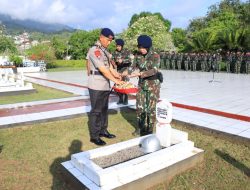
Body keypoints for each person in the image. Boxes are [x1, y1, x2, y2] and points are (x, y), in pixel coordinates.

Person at [87, 28, 124, 146]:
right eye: (108, 40)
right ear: (101, 37)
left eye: (110, 41)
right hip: (96, 84)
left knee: (104, 110)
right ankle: (94, 136)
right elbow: (103, 69)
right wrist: (115, 81)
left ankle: (103, 130)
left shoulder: (105, 52)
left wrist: (118, 76)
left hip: (104, 85)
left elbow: (110, 68)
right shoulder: (94, 50)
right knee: (96, 111)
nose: (109, 43)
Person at [128, 35, 161, 136]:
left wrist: (140, 74)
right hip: (142, 85)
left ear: (148, 46)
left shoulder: (155, 56)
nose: (141, 50)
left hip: (153, 86)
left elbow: (154, 70)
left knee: (151, 109)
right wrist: (125, 73)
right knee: (140, 107)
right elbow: (132, 67)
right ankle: (140, 128)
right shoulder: (137, 55)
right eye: (140, 48)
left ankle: (150, 129)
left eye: (143, 48)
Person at [112, 39, 132, 105]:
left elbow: (130, 60)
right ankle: (120, 99)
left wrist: (123, 61)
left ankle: (126, 99)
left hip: (125, 70)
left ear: (122, 46)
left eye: (119, 46)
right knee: (118, 85)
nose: (118, 47)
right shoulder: (115, 52)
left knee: (125, 85)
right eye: (117, 46)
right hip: (118, 71)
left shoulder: (127, 51)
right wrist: (113, 62)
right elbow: (113, 60)